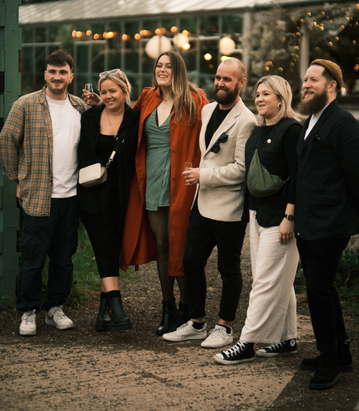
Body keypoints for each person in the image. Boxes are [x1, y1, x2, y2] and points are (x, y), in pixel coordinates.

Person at [162, 58, 257, 348]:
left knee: (228, 269)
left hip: (229, 207)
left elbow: (241, 169)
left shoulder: (248, 120)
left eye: (228, 79)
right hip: (202, 204)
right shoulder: (206, 109)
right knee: (190, 261)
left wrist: (203, 175)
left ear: (241, 83)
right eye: (217, 77)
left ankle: (225, 327)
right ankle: (196, 322)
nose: (220, 83)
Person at [213, 75, 301, 364]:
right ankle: (287, 338)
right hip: (257, 214)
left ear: (281, 98)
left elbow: (298, 177)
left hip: (281, 217)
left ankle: (247, 342)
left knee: (263, 280)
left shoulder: (291, 130)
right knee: (279, 279)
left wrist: (290, 215)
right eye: (258, 94)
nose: (260, 98)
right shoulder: (257, 130)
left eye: (267, 94)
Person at [120, 51, 209, 335]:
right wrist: (101, 105)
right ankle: (168, 307)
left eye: (168, 66)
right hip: (152, 179)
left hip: (182, 182)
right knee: (161, 245)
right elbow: (126, 120)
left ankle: (189, 309)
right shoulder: (148, 97)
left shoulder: (195, 100)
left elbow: (214, 132)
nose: (162, 69)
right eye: (159, 65)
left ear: (178, 70)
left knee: (180, 246)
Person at [0, 49, 87, 336]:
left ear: (71, 76)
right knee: (33, 256)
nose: (57, 76)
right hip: (37, 195)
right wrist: (16, 179)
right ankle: (28, 311)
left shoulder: (79, 108)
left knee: (63, 257)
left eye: (63, 72)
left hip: (71, 196)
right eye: (52, 71)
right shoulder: (26, 105)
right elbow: (7, 139)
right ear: (45, 74)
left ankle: (55, 308)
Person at [295, 59, 359, 390]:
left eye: (313, 80)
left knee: (318, 290)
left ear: (332, 84)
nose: (306, 84)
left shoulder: (344, 123)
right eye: (305, 79)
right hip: (309, 221)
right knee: (325, 288)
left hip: (330, 222)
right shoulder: (311, 119)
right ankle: (342, 352)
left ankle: (329, 360)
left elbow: (356, 175)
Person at [78, 69, 139, 331]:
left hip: (123, 195)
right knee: (103, 243)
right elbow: (83, 153)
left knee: (112, 245)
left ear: (124, 91)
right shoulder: (90, 117)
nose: (107, 96)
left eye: (113, 91)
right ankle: (116, 303)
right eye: (103, 92)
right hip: (92, 194)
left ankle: (103, 311)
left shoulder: (135, 119)